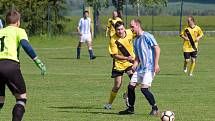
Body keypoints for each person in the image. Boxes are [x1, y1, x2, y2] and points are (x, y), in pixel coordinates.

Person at [0, 10, 46, 121]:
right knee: (21, 98)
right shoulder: (19, 31)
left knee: (0, 99)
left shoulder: (1, 31)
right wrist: (37, 61)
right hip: (11, 65)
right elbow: (25, 45)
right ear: (18, 22)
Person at [119, 19, 160, 115]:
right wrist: (134, 65)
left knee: (144, 89)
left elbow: (157, 49)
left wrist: (156, 64)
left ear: (138, 26)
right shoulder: (136, 41)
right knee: (130, 87)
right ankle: (130, 109)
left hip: (149, 68)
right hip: (140, 68)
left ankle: (155, 108)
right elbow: (137, 57)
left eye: (132, 26)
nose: (131, 28)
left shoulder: (147, 36)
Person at [104, 21, 135, 109]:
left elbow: (138, 32)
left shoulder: (129, 32)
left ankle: (127, 94)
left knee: (135, 80)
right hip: (119, 64)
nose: (120, 31)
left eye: (122, 29)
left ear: (124, 28)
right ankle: (109, 104)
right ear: (115, 30)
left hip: (130, 63)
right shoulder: (113, 40)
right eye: (118, 30)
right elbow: (114, 55)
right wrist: (126, 58)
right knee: (117, 85)